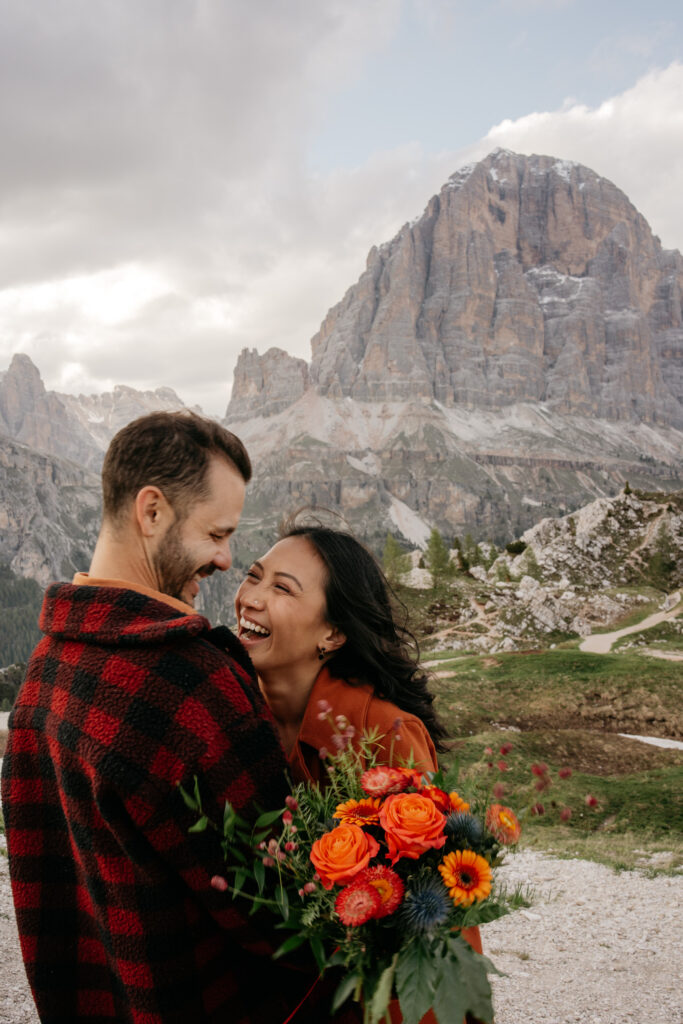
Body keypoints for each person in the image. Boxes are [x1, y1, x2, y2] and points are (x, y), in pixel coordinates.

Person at [1, 412, 342, 1024]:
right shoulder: (190, 680)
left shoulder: (45, 671)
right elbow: (285, 912)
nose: (225, 560)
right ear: (152, 512)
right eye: (217, 534)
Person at [234, 520, 484, 996]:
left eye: (282, 588)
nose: (251, 597)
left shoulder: (386, 736)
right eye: (253, 575)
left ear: (332, 634)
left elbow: (429, 922)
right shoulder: (232, 711)